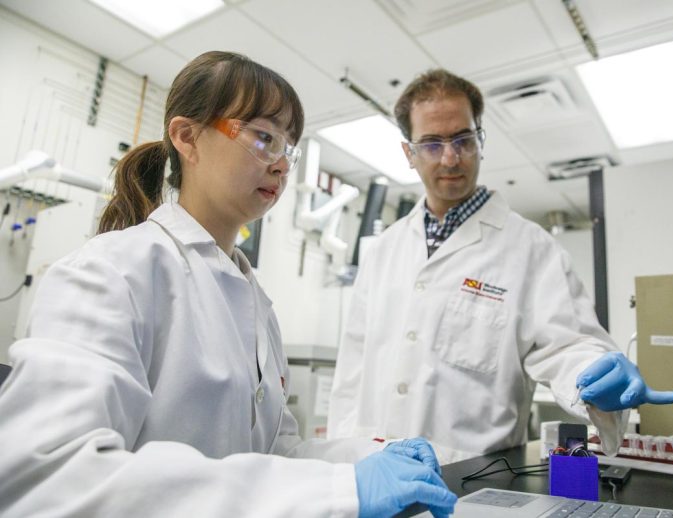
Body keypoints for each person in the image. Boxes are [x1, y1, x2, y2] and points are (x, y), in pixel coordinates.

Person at [0, 52, 457, 518]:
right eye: (264, 138)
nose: (281, 164)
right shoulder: (111, 270)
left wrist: (371, 456)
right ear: (187, 137)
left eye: (288, 148)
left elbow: (275, 459)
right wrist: (340, 491)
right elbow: (48, 475)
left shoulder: (256, 304)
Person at [327, 69, 673, 464]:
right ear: (408, 154)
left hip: (470, 476)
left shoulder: (531, 249)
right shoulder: (383, 250)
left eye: (463, 139)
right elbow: (351, 376)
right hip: (369, 471)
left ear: (480, 141)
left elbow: (569, 345)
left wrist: (596, 373)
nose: (451, 157)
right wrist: (338, 468)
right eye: (432, 144)